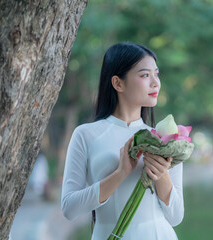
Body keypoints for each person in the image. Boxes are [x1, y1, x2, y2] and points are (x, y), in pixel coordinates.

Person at [61, 42, 184, 239]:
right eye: (145, 75)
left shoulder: (163, 139)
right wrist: (120, 174)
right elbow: (69, 208)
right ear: (118, 83)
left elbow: (176, 216)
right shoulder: (86, 134)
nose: (155, 83)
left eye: (156, 74)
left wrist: (161, 175)